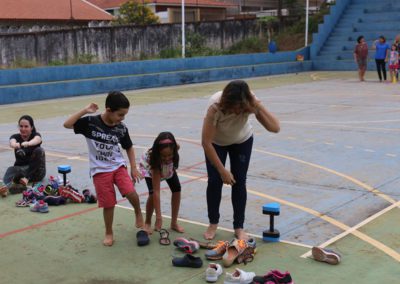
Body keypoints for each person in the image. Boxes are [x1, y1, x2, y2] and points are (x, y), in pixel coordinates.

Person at [201, 80, 280, 241]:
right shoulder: (215, 106)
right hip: (216, 143)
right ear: (228, 102)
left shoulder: (249, 103)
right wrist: (222, 170)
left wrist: (258, 106)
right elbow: (206, 142)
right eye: (236, 107)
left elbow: (275, 127)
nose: (238, 112)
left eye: (241, 108)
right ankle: (213, 223)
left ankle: (238, 226)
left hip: (242, 140)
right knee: (214, 181)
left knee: (240, 182)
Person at [63, 91, 144, 246]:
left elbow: (129, 147)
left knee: (130, 192)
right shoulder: (90, 123)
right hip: (99, 170)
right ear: (108, 110)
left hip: (117, 166)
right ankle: (109, 231)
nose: (122, 118)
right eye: (120, 115)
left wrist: (133, 167)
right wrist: (84, 111)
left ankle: (138, 211)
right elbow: (67, 124)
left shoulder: (121, 128)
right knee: (108, 203)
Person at [139, 132, 184, 234]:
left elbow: (169, 156)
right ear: (158, 152)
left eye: (170, 155)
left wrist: (167, 158)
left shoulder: (175, 147)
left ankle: (174, 223)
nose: (167, 158)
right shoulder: (153, 159)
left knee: (177, 188)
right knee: (152, 194)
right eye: (164, 155)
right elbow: (156, 192)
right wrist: (159, 217)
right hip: (151, 167)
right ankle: (147, 223)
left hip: (167, 167)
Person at [0, 115, 46, 197]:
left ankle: (26, 179)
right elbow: (12, 142)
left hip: (37, 172)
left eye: (26, 126)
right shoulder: (15, 137)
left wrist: (28, 143)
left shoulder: (36, 135)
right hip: (22, 171)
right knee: (11, 169)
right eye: (21, 126)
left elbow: (37, 140)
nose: (23, 129)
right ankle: (5, 188)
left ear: (31, 127)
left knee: (39, 150)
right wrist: (14, 144)